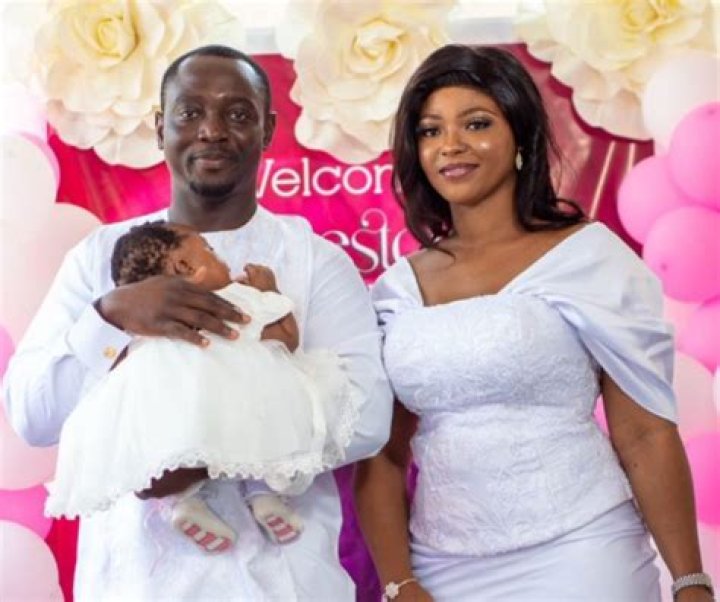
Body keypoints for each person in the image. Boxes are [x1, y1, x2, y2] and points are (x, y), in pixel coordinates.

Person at [4, 45, 392, 600]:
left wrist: (196, 450)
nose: (212, 130)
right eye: (189, 113)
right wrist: (111, 318)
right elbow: (32, 416)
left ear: (268, 129)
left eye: (237, 113)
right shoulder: (98, 259)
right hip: (137, 584)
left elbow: (368, 419)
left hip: (284, 585)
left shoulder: (315, 261)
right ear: (160, 128)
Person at [355, 45, 713, 602]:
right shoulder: (397, 289)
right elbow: (384, 454)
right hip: (442, 565)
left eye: (476, 123)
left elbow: (644, 433)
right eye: (430, 130)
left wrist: (690, 582)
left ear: (520, 135)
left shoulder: (587, 257)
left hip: (582, 549)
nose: (451, 144)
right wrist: (400, 583)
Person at [46, 220, 360, 551]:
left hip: (173, 429)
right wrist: (269, 293)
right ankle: (262, 493)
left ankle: (182, 503)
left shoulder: (139, 333)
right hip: (245, 406)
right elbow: (286, 341)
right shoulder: (234, 302)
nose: (220, 258)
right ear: (185, 266)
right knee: (265, 424)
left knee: (166, 440)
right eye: (210, 251)